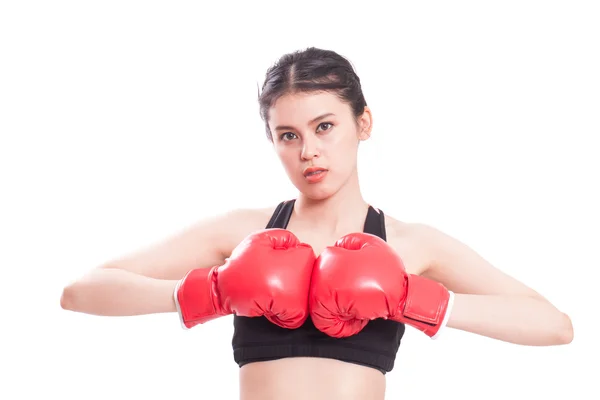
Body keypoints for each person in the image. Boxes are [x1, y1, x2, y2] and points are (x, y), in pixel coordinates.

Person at [60, 47, 574, 400]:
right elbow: (82, 291)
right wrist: (211, 292)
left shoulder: (410, 245)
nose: (308, 151)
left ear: (363, 123)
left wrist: (417, 300)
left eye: (324, 126)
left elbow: (554, 325)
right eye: (287, 135)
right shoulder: (244, 233)